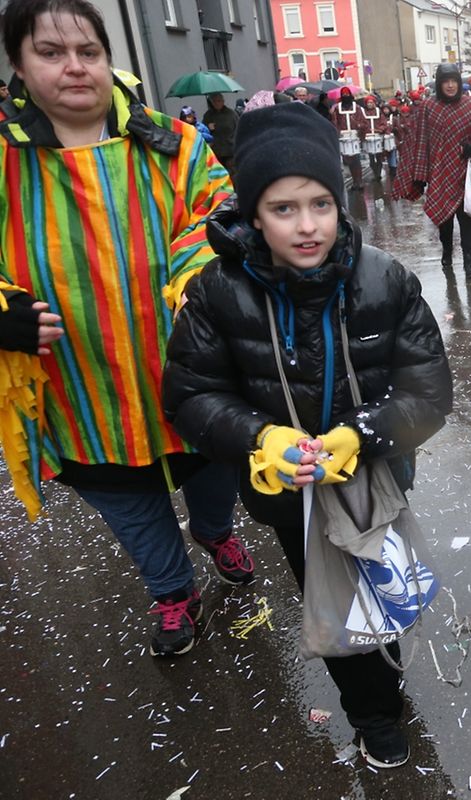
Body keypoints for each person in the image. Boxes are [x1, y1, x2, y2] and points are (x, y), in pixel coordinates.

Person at [162, 101, 452, 769]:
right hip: (287, 491)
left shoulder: (384, 279)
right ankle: (375, 713)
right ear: (253, 215)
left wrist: (364, 433)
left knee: (384, 583)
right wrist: (259, 439)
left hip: (374, 474)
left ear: (339, 202)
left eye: (320, 204)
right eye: (283, 209)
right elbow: (191, 395)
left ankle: (386, 670)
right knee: (332, 596)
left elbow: (428, 389)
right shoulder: (217, 292)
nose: (307, 225)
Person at [0, 0, 252, 658]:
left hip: (189, 367)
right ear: (19, 68)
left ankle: (216, 531)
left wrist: (193, 276)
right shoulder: (2, 159)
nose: (74, 67)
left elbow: (221, 211)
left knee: (213, 468)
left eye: (88, 50)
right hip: (80, 388)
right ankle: (172, 590)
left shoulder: (175, 143)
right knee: (126, 500)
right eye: (50, 53)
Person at [411, 63, 471, 282]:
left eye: (453, 81)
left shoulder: (469, 105)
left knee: (467, 219)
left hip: (464, 174)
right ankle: (447, 252)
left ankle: (469, 262)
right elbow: (421, 140)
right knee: (444, 221)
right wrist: (420, 176)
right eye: (445, 81)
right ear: (439, 83)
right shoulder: (429, 106)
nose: (449, 85)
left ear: (459, 82)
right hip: (439, 174)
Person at [202, 91, 237, 178]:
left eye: (219, 101)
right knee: (220, 176)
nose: (217, 103)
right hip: (216, 152)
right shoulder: (208, 115)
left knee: (233, 176)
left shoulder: (231, 114)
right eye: (214, 101)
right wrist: (208, 127)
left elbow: (238, 128)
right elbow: (203, 132)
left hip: (230, 151)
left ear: (223, 101)